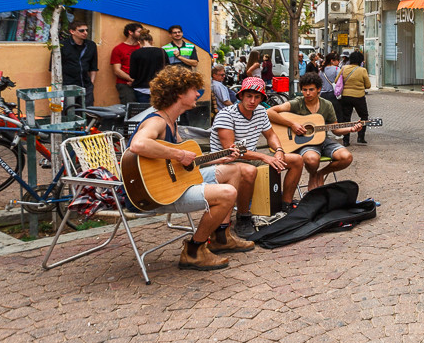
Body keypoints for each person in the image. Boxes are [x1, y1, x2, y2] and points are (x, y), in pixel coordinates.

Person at [127, 66, 257, 271]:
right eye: (194, 90)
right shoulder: (156, 121)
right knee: (227, 193)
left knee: (235, 169)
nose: (198, 94)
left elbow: (190, 162)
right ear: (179, 93)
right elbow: (138, 145)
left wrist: (221, 158)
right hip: (155, 194)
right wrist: (178, 154)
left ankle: (221, 236)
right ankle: (194, 250)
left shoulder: (172, 123)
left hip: (172, 183)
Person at [210, 77, 304, 235]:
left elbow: (271, 135)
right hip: (225, 162)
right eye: (249, 96)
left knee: (296, 160)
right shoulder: (226, 115)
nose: (252, 101)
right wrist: (263, 157)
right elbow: (230, 149)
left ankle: (285, 204)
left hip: (251, 158)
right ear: (241, 96)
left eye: (257, 97)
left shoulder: (260, 111)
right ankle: (243, 216)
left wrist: (279, 150)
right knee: (249, 171)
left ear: (261, 98)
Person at [266, 72, 362, 200]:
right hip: (305, 143)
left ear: (319, 89)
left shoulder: (326, 105)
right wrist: (292, 124)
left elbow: (336, 130)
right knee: (312, 159)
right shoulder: (297, 103)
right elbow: (269, 112)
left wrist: (351, 129)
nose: (307, 93)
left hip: (324, 141)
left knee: (347, 157)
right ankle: (313, 174)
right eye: (304, 90)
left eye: (311, 89)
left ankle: (320, 174)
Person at [60, 18, 98, 109]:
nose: (85, 33)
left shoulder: (91, 45)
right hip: (68, 85)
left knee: (88, 111)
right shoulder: (63, 45)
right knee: (68, 111)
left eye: (86, 30)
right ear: (72, 31)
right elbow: (54, 67)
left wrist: (91, 83)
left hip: (86, 85)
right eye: (81, 30)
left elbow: (93, 66)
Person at [338, 51, 372, 147]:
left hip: (346, 97)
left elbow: (337, 81)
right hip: (359, 97)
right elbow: (368, 85)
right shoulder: (362, 70)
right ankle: (360, 137)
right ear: (360, 60)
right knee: (364, 117)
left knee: (346, 118)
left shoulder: (344, 68)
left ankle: (346, 140)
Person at [129, 28, 167, 103]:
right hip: (159, 88)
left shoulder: (135, 53)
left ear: (139, 42)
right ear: (152, 41)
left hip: (141, 88)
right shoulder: (162, 51)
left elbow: (132, 74)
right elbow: (167, 69)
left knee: (143, 112)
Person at [109, 22, 142, 105]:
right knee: (130, 107)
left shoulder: (142, 47)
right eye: (139, 32)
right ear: (130, 32)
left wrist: (139, 81)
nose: (142, 34)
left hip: (142, 83)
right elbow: (117, 70)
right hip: (125, 83)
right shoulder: (118, 49)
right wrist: (132, 80)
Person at [320, 51, 345, 121]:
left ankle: (323, 131)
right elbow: (340, 82)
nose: (339, 62)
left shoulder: (321, 70)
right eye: (337, 60)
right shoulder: (337, 69)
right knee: (338, 115)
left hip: (323, 95)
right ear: (332, 61)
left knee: (324, 117)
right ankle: (339, 130)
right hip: (333, 95)